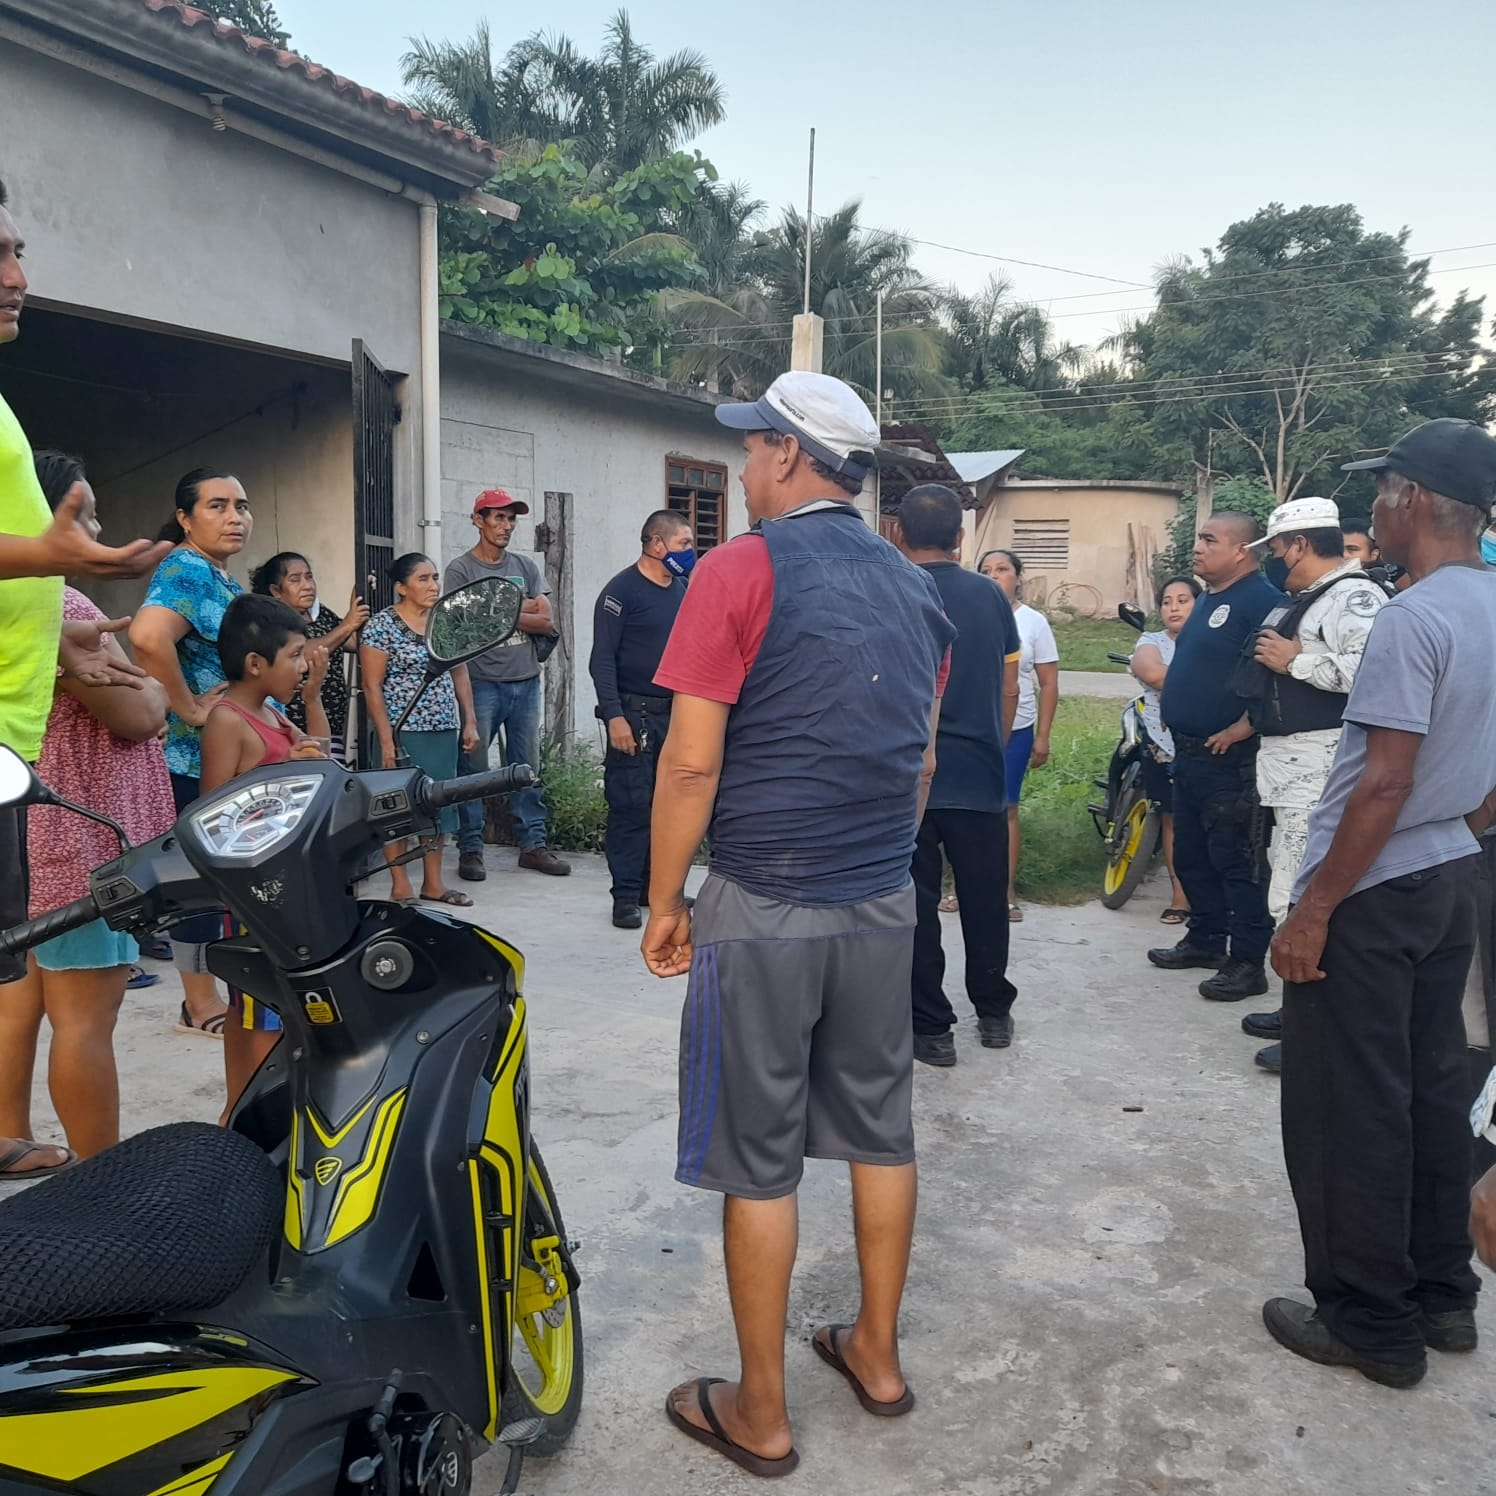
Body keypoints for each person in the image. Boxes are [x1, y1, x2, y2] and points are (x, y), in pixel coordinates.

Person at [640, 371, 953, 1478]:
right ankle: (873, 1351)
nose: (739, 466)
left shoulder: (736, 568)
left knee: (758, 1158)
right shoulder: (916, 587)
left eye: (749, 446)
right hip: (881, 901)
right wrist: (876, 856)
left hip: (764, 899)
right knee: (879, 1126)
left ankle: (760, 1409)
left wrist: (667, 896)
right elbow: (915, 757)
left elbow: (689, 759)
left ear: (782, 453)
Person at [1265, 417, 1496, 1390]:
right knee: (1435, 1090)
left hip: (1375, 886)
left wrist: (1314, 907)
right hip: (1452, 878)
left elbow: (1380, 783)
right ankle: (1442, 1295)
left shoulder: (1412, 615)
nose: (1370, 508)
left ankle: (1369, 1321)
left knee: (1348, 1106)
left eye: (1380, 488)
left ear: (1412, 501)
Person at [0, 178, 167, 1177]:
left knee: (19, 990)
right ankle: (105, 1203)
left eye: (19, 252)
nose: (18, 278)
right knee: (82, 1015)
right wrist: (67, 568)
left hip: (19, 772)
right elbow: (141, 710)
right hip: (61, 817)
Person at [0, 453, 172, 1166]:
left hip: (30, 842)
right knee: (85, 1020)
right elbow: (139, 714)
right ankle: (100, 1181)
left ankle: (8, 1138)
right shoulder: (60, 605)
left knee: (18, 1007)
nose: (97, 528)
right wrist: (160, 697)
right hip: (79, 843)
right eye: (86, 512)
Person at [1235, 497, 1385, 1073]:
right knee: (1287, 886)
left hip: (1320, 766)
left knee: (1300, 899)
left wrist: (1294, 662)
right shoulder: (1313, 598)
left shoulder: (1356, 597)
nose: (1274, 560)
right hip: (1288, 765)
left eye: (1275, 549)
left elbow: (1372, 673)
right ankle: (1297, 1010)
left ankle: (1315, 1032)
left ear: (1298, 544)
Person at [893, 489, 1020, 1065]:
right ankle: (993, 1012)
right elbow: (1007, 684)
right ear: (961, 538)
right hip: (978, 773)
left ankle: (930, 1028)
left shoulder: (891, 588)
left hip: (904, 775)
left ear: (898, 532)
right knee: (985, 900)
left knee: (916, 906)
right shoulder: (990, 596)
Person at [130, 469, 258, 1039]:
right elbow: (149, 637)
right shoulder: (186, 568)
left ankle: (226, 994)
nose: (235, 517)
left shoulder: (216, 575)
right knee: (199, 884)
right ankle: (199, 1003)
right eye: (217, 506)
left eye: (241, 506)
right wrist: (187, 709)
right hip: (191, 760)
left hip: (226, 758)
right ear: (185, 518)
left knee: (225, 881)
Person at [1147, 513, 1283, 1000]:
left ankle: (1247, 962)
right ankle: (1205, 939)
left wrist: (1244, 726)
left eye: (1209, 540)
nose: (1198, 548)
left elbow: (1275, 676)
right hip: (1188, 752)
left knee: (1237, 861)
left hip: (1231, 758)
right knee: (1192, 855)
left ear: (1243, 550)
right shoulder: (1210, 597)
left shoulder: (1262, 600)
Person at [200, 593, 328, 1112]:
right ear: (256, 664)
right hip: (252, 897)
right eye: (296, 655)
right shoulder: (228, 720)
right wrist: (277, 775)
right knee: (259, 1011)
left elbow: (319, 758)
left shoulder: (272, 712)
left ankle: (239, 1111)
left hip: (282, 889)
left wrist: (314, 697)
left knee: (259, 1006)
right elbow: (209, 814)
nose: (303, 665)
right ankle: (253, 1115)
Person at [443, 490, 569, 880]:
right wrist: (521, 608)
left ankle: (533, 845)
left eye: (511, 519)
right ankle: (471, 849)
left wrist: (495, 611)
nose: (506, 526)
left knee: (527, 769)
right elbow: (463, 625)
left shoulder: (525, 566)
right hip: (482, 684)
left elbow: (546, 621)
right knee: (474, 770)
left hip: (526, 682)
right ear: (478, 520)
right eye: (498, 518)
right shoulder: (460, 571)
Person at [588, 509, 692, 929]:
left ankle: (660, 889)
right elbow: (602, 660)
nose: (690, 552)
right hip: (635, 714)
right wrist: (614, 716)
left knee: (672, 807)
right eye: (683, 544)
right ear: (655, 544)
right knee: (631, 806)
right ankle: (626, 896)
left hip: (676, 714)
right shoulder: (621, 592)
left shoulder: (683, 589)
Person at [360, 553, 479, 908]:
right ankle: (399, 885)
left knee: (437, 807)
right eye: (423, 579)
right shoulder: (381, 626)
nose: (433, 586)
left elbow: (460, 672)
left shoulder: (445, 621)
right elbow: (372, 686)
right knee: (395, 809)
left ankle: (433, 883)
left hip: (441, 729)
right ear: (401, 587)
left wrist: (469, 719)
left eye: (435, 578)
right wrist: (386, 739)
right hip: (401, 730)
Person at [977, 548, 1059, 921]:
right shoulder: (969, 614)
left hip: (1017, 728)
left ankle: (1005, 891)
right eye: (986, 570)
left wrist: (1042, 736)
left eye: (1003, 569)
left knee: (1006, 807)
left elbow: (1049, 683)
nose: (994, 575)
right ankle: (960, 886)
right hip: (971, 729)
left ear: (1018, 577)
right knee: (964, 808)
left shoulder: (1034, 623)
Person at [1128, 576, 1202, 923]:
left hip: (1211, 744)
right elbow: (1151, 673)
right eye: (1168, 601)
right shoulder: (1151, 640)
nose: (1174, 607)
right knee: (1173, 821)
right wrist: (1208, 680)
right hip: (1165, 747)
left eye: (1183, 600)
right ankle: (1180, 895)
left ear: (1199, 604)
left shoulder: (1211, 640)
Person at [251, 551, 368, 761]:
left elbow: (350, 642)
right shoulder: (273, 620)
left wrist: (359, 598)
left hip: (331, 726)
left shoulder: (320, 614)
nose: (307, 585)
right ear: (276, 590)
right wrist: (348, 624)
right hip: (296, 729)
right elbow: (307, 652)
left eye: (309, 576)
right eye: (295, 580)